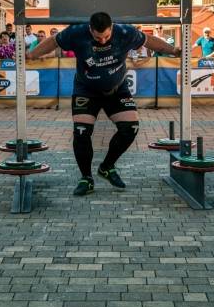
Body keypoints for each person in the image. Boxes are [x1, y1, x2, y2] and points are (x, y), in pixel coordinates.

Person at [27, 12, 181, 196]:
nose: (102, 41)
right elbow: (53, 41)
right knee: (81, 132)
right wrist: (31, 54)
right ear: (90, 29)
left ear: (112, 28)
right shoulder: (76, 32)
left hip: (117, 89)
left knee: (130, 128)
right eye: (98, 37)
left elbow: (149, 41)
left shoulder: (125, 32)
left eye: (106, 37)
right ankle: (86, 178)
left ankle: (107, 167)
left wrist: (173, 50)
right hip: (86, 89)